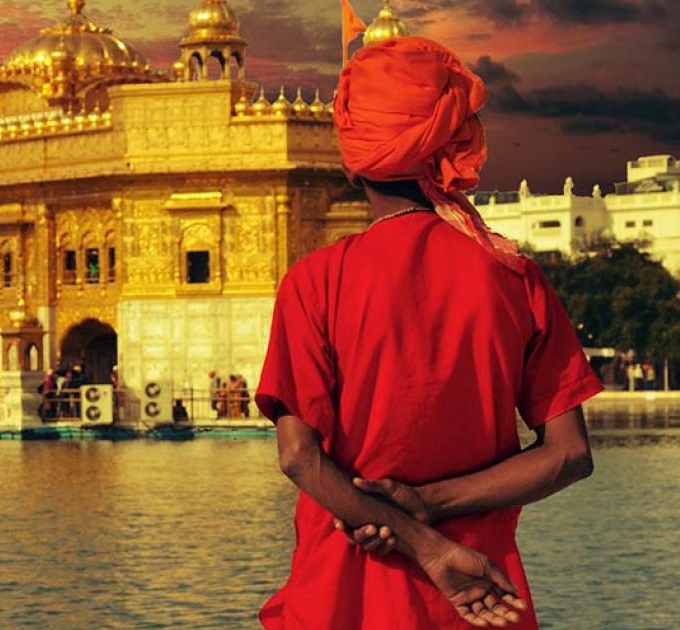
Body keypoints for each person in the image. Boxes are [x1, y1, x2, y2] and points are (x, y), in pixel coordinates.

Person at [256, 36, 602, 629]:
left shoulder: (316, 282)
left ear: (352, 163)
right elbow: (569, 456)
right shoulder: (513, 277)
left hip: (342, 602)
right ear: (451, 148)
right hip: (483, 603)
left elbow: (299, 458)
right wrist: (431, 506)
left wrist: (422, 542)